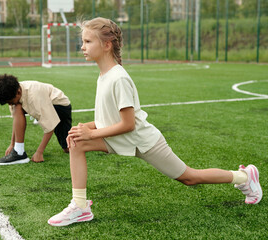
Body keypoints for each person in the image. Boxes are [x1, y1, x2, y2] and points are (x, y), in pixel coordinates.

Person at [47, 17, 263, 227]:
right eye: (83, 41)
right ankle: (80, 206)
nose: (82, 46)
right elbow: (109, 118)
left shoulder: (118, 78)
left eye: (87, 41)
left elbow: (128, 124)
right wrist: (87, 127)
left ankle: (244, 177)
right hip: (119, 138)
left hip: (142, 141)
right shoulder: (104, 75)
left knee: (190, 177)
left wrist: (92, 134)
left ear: (106, 45)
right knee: (76, 141)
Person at [0, 74, 72, 165]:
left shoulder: (34, 97)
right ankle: (19, 152)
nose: (10, 104)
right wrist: (12, 144)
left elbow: (50, 126)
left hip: (60, 106)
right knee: (17, 106)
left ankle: (88, 135)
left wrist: (39, 152)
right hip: (43, 102)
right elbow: (16, 122)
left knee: (68, 148)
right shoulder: (12, 93)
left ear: (18, 92)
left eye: (10, 102)